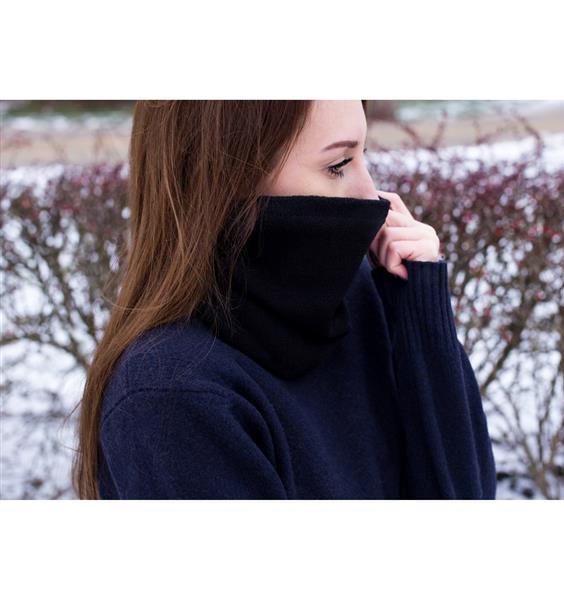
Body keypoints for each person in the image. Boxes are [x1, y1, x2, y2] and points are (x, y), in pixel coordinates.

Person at [71, 100, 497, 499]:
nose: (372, 197)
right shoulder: (171, 396)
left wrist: (419, 313)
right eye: (338, 165)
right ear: (228, 177)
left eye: (364, 155)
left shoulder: (362, 296)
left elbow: (466, 493)